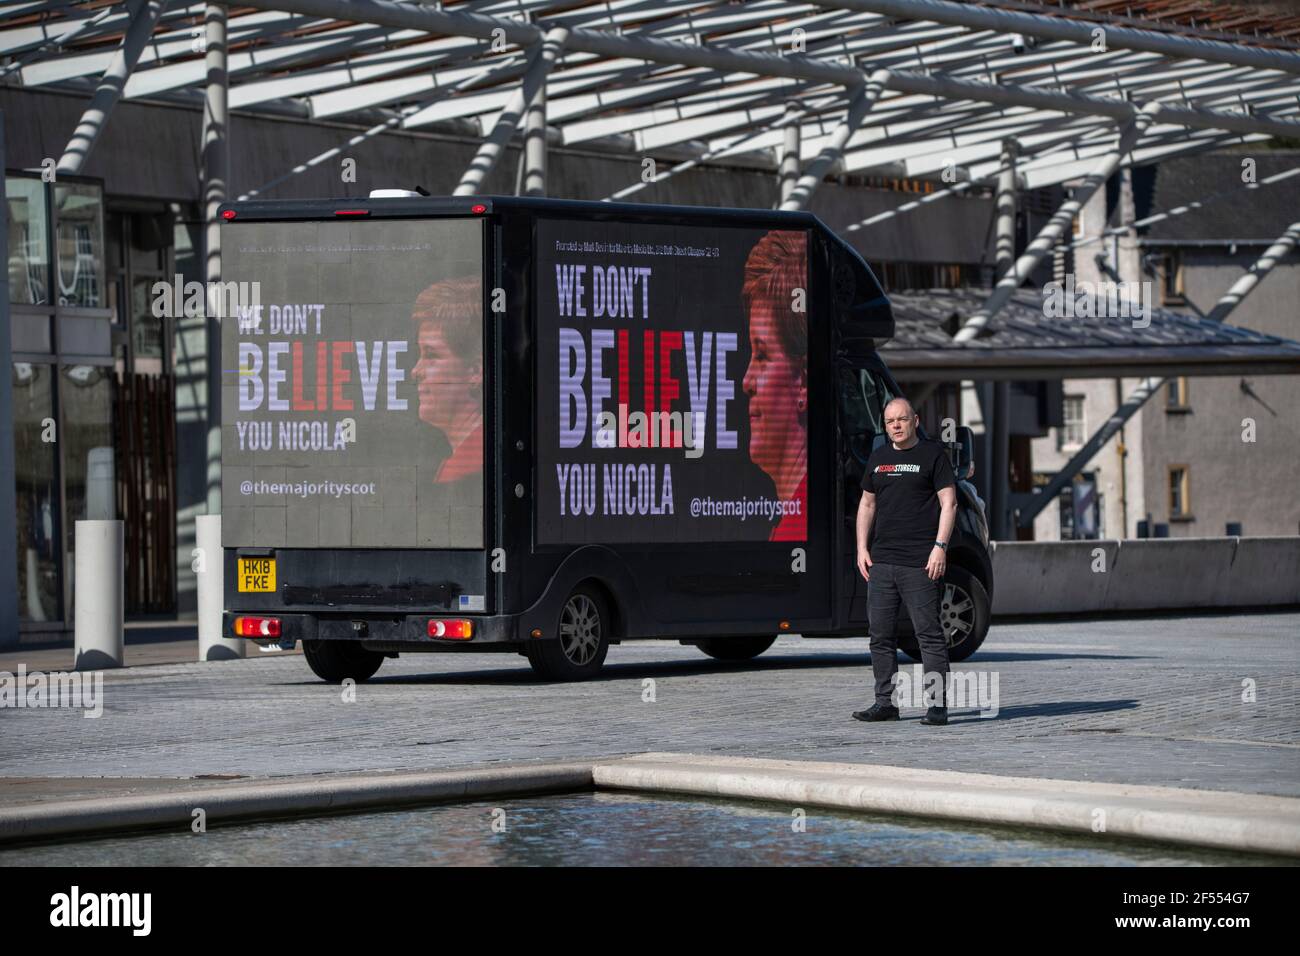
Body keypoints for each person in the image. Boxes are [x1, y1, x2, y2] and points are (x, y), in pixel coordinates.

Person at [852, 397, 958, 726]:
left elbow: (949, 503)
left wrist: (940, 547)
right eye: (890, 422)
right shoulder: (879, 458)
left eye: (901, 419)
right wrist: (861, 548)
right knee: (880, 635)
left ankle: (937, 706)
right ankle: (885, 703)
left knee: (928, 634)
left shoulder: (932, 455)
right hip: (882, 562)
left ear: (915, 420)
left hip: (921, 562)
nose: (896, 426)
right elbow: (867, 504)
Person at [740, 230, 808, 541]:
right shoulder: (791, 519)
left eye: (763, 355)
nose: (746, 381)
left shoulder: (799, 524)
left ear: (803, 383)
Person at [410, 275, 484, 483]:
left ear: (475, 372)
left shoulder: (466, 471)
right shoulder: (477, 457)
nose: (415, 371)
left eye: (431, 355)